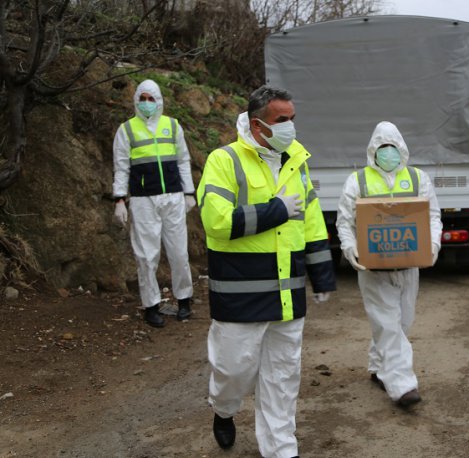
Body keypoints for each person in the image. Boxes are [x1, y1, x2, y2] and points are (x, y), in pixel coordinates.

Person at [196, 86, 336, 457]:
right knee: (233, 372)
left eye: (293, 118)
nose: (291, 126)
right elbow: (215, 221)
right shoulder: (224, 161)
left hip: (288, 294)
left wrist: (322, 274)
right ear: (258, 125)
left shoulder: (296, 163)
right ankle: (223, 409)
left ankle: (281, 450)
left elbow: (312, 223)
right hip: (240, 293)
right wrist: (275, 210)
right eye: (282, 120)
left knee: (283, 377)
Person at [335, 121, 442, 407]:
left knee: (402, 322)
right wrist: (350, 248)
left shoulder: (418, 178)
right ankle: (402, 386)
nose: (388, 152)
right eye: (382, 147)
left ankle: (377, 367)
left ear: (402, 148)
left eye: (392, 147)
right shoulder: (358, 181)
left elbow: (433, 216)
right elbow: (345, 221)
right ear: (373, 150)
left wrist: (433, 244)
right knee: (387, 323)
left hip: (408, 267)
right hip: (374, 270)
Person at [112, 79, 196, 328]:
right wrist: (119, 199)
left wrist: (189, 192)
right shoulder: (126, 130)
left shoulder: (173, 125)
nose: (147, 103)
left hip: (172, 196)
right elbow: (121, 166)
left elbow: (183, 160)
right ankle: (151, 305)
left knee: (179, 252)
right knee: (146, 256)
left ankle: (184, 300)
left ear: (159, 100)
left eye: (152, 98)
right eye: (143, 98)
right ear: (136, 100)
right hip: (142, 199)